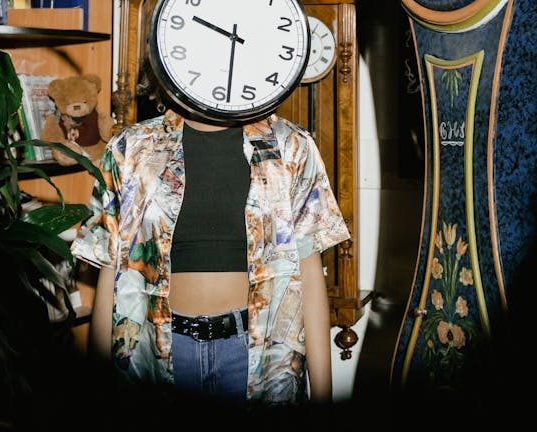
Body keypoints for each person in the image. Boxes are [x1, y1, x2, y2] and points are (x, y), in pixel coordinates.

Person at [70, 105, 350, 408]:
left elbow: (308, 271)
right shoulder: (132, 146)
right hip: (158, 354)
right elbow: (112, 271)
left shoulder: (291, 145)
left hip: (257, 359)